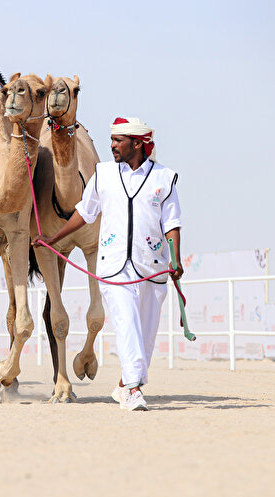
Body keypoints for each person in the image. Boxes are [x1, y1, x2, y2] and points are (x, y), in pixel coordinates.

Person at [32, 116, 183, 411]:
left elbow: (173, 222)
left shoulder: (164, 179)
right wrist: (52, 238)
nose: (112, 145)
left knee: (146, 333)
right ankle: (134, 389)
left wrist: (176, 258)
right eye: (112, 139)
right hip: (114, 265)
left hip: (153, 265)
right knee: (126, 323)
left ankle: (124, 384)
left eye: (119, 141)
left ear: (138, 144)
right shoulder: (103, 175)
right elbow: (84, 213)